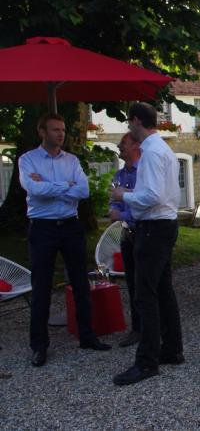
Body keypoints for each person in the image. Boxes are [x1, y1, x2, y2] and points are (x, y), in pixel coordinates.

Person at [19, 113, 112, 368]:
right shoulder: (27, 160)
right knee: (41, 288)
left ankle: (87, 336)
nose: (61, 134)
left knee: (81, 283)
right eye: (54, 130)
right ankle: (39, 346)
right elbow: (34, 190)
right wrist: (64, 185)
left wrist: (49, 185)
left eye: (62, 129)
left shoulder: (71, 160)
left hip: (71, 226)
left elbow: (83, 190)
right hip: (42, 229)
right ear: (41, 131)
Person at [111, 102, 182, 386]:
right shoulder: (163, 149)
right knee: (163, 290)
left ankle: (147, 361)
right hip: (164, 225)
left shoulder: (152, 153)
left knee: (146, 295)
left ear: (137, 121)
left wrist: (122, 196)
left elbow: (151, 195)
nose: (128, 128)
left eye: (129, 123)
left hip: (153, 227)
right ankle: (172, 349)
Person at [109, 132, 142, 347]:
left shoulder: (145, 174)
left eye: (123, 143)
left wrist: (122, 214)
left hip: (145, 234)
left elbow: (145, 204)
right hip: (127, 235)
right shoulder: (119, 175)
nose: (119, 146)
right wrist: (116, 209)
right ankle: (137, 329)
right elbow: (114, 201)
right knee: (131, 283)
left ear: (136, 146)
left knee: (148, 283)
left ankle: (154, 327)